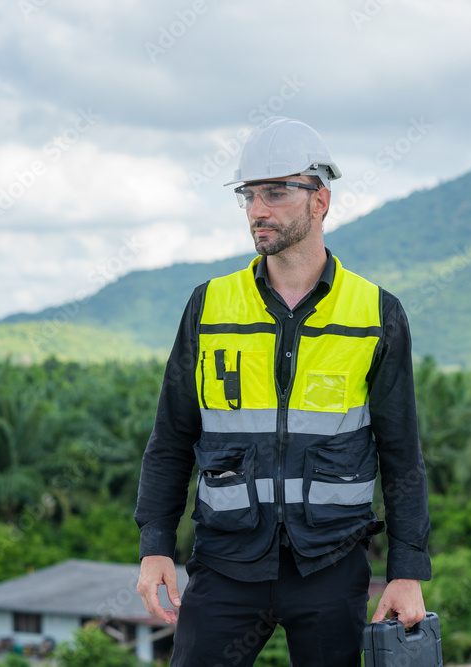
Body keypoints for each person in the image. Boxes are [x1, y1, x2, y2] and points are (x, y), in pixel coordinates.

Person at [134, 116, 431, 666]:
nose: (257, 210)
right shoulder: (209, 305)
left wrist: (407, 570)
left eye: (275, 192)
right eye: (249, 195)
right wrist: (155, 545)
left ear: (320, 201)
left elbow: (401, 453)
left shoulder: (377, 314)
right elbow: (172, 436)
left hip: (331, 567)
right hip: (224, 563)